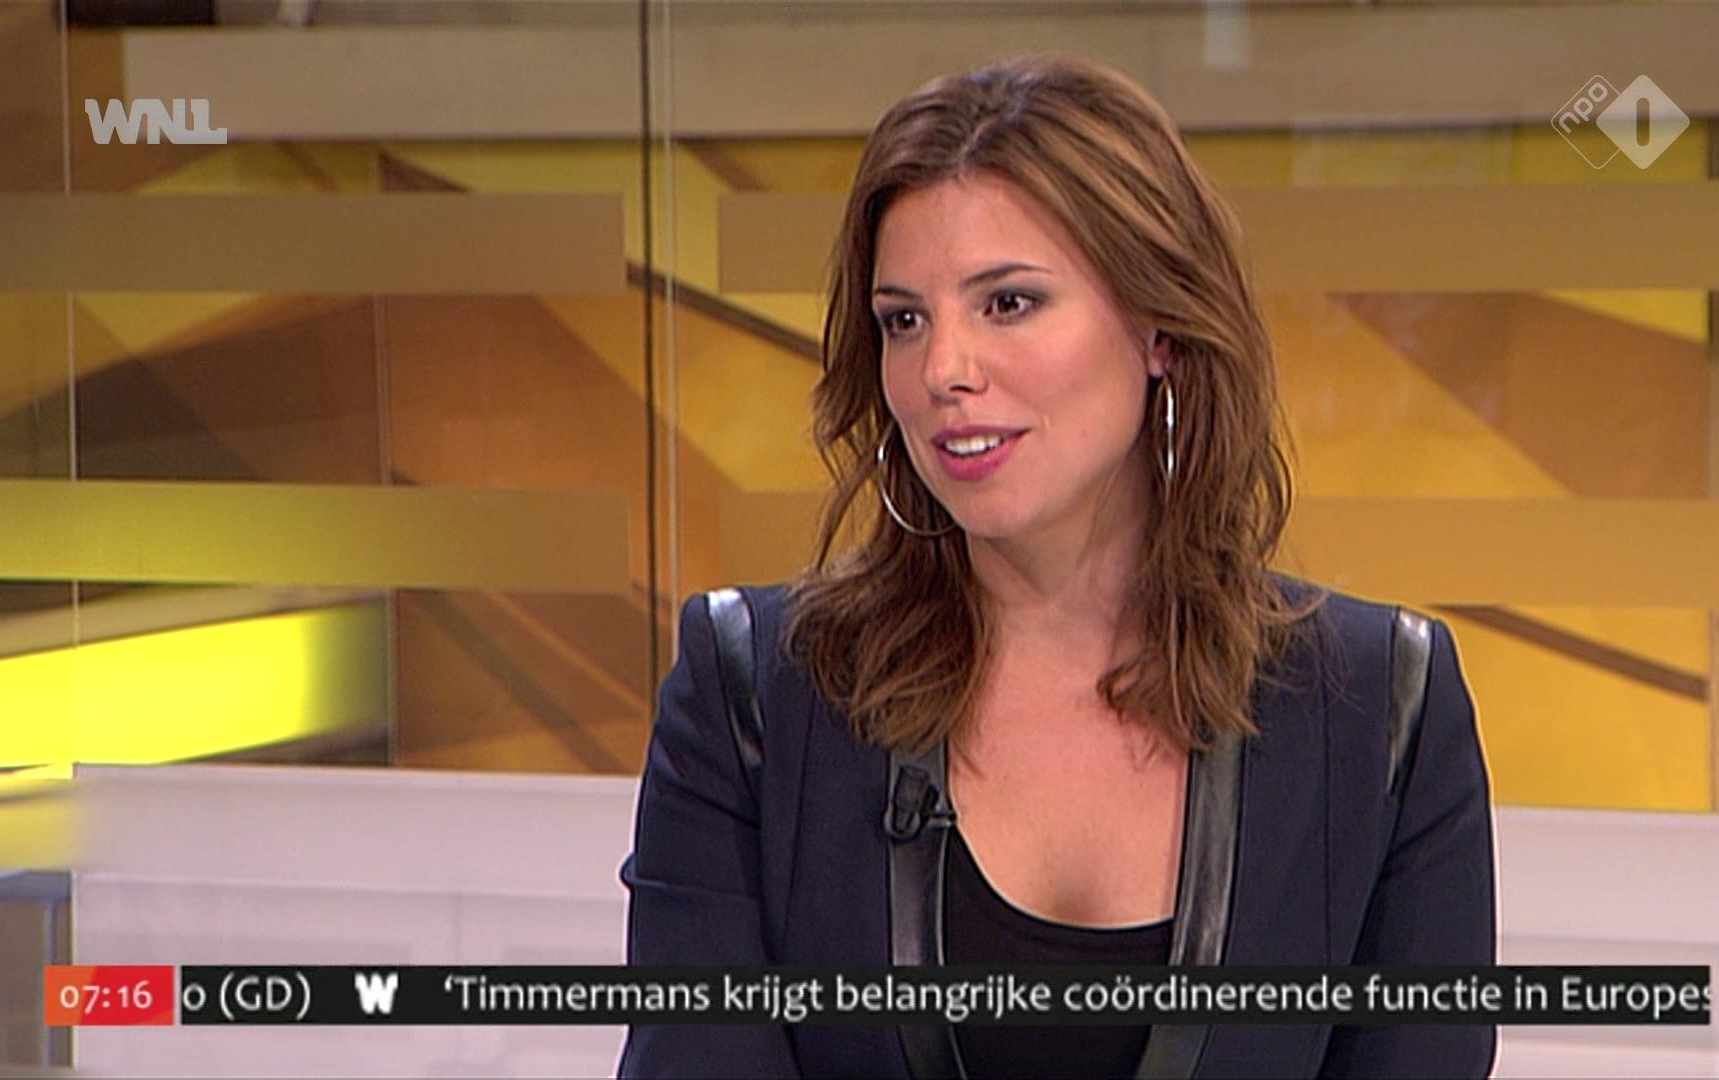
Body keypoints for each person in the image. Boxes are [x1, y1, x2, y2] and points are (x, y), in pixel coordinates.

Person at [618, 54, 1495, 1079]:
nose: (943, 370)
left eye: (1008, 303)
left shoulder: (1384, 708)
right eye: (904, 319)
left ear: (1159, 327)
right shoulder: (753, 697)